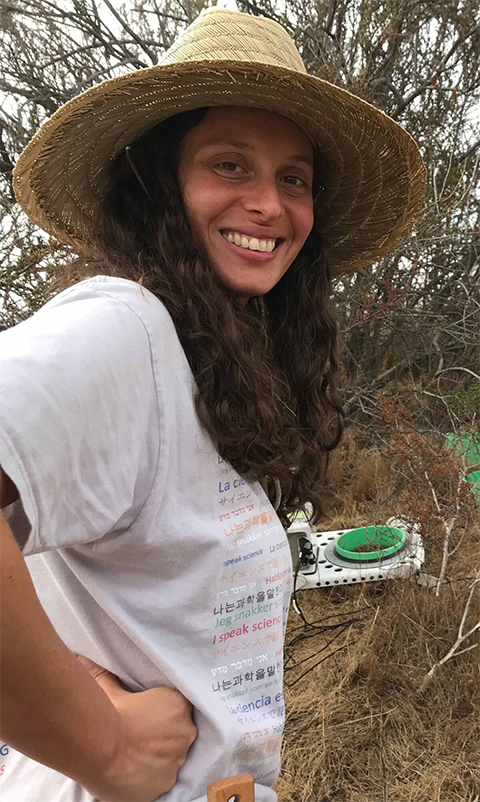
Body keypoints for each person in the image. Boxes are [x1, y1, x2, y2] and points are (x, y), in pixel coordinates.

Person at [0, 7, 425, 802]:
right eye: (231, 166)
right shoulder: (123, 330)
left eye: (293, 178)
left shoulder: (217, 365)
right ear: (159, 184)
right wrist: (105, 747)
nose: (268, 203)